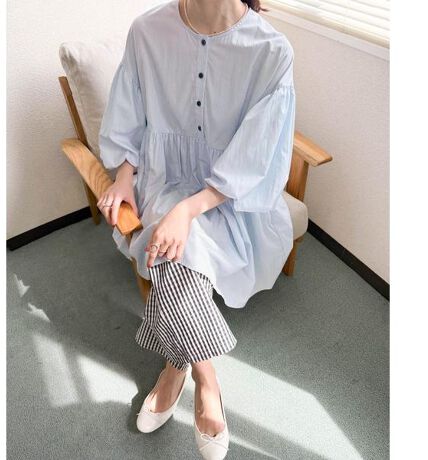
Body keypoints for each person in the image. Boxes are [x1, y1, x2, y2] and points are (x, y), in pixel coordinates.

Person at [97, 0, 296, 458]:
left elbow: (256, 155)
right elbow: (129, 112)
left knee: (172, 250)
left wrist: (189, 210)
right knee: (169, 248)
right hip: (162, 179)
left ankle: (175, 367)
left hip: (230, 196)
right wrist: (124, 175)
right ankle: (207, 380)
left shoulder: (271, 50)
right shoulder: (147, 30)